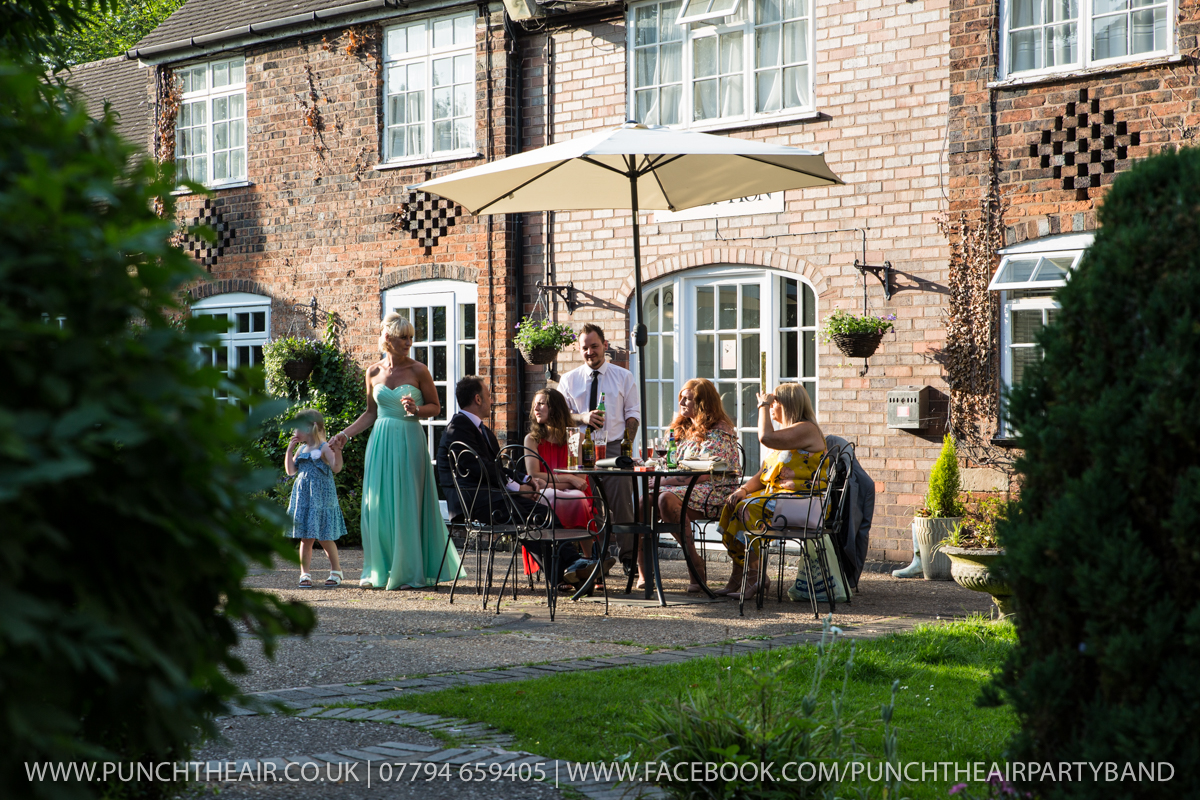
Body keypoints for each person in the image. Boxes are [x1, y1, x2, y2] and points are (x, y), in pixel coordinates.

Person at [332, 313, 464, 590]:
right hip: (380, 443)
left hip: (409, 440)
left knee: (407, 504)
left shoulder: (419, 370)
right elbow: (370, 414)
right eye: (403, 337)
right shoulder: (372, 372)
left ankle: (407, 572)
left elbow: (436, 407)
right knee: (377, 506)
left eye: (411, 337)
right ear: (388, 338)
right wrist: (345, 435)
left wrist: (416, 410)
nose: (409, 342)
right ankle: (379, 570)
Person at [717, 383, 828, 600]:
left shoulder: (806, 429)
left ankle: (755, 577)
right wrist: (742, 489)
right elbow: (763, 474)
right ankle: (738, 577)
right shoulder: (788, 435)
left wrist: (762, 405)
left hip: (805, 503)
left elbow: (764, 437)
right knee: (734, 505)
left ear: (786, 404)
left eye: (773, 402)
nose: (769, 406)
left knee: (747, 509)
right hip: (782, 499)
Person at [557, 324, 640, 565]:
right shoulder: (569, 379)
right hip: (581, 450)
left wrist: (627, 446)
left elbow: (632, 414)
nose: (590, 352)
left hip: (614, 448)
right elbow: (561, 415)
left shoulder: (623, 376)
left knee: (622, 506)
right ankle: (597, 559)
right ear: (579, 349)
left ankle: (628, 560)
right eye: (585, 348)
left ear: (605, 345)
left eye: (594, 346)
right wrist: (583, 417)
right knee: (590, 506)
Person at [655, 379, 742, 593]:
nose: (682, 402)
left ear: (703, 403)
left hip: (715, 489)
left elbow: (705, 473)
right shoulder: (681, 427)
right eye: (681, 398)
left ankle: (694, 563)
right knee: (642, 502)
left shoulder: (719, 430)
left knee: (664, 497)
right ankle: (644, 574)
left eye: (688, 399)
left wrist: (664, 480)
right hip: (681, 487)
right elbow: (668, 462)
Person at [524, 389, 616, 584]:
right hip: (545, 491)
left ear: (555, 408)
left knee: (578, 498)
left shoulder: (575, 438)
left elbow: (581, 478)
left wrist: (569, 481)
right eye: (535, 404)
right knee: (552, 498)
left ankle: (588, 563)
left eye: (542, 403)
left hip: (572, 490)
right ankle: (564, 565)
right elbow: (533, 476)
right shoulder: (532, 439)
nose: (536, 408)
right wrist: (570, 480)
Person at [436, 375, 548, 524]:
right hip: (474, 500)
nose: (492, 401)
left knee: (545, 515)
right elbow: (481, 468)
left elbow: (497, 469)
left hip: (494, 496)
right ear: (478, 399)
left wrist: (526, 479)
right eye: (489, 396)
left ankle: (561, 548)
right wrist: (519, 489)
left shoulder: (484, 431)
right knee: (530, 521)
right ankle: (553, 547)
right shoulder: (458, 428)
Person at [284, 408, 346, 588]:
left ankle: (336, 570)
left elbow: (336, 468)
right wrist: (289, 451)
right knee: (305, 537)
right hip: (304, 499)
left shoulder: (324, 447)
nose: (295, 432)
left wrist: (338, 451)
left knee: (325, 536)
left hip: (321, 498)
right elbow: (290, 471)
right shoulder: (302, 448)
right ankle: (305, 573)